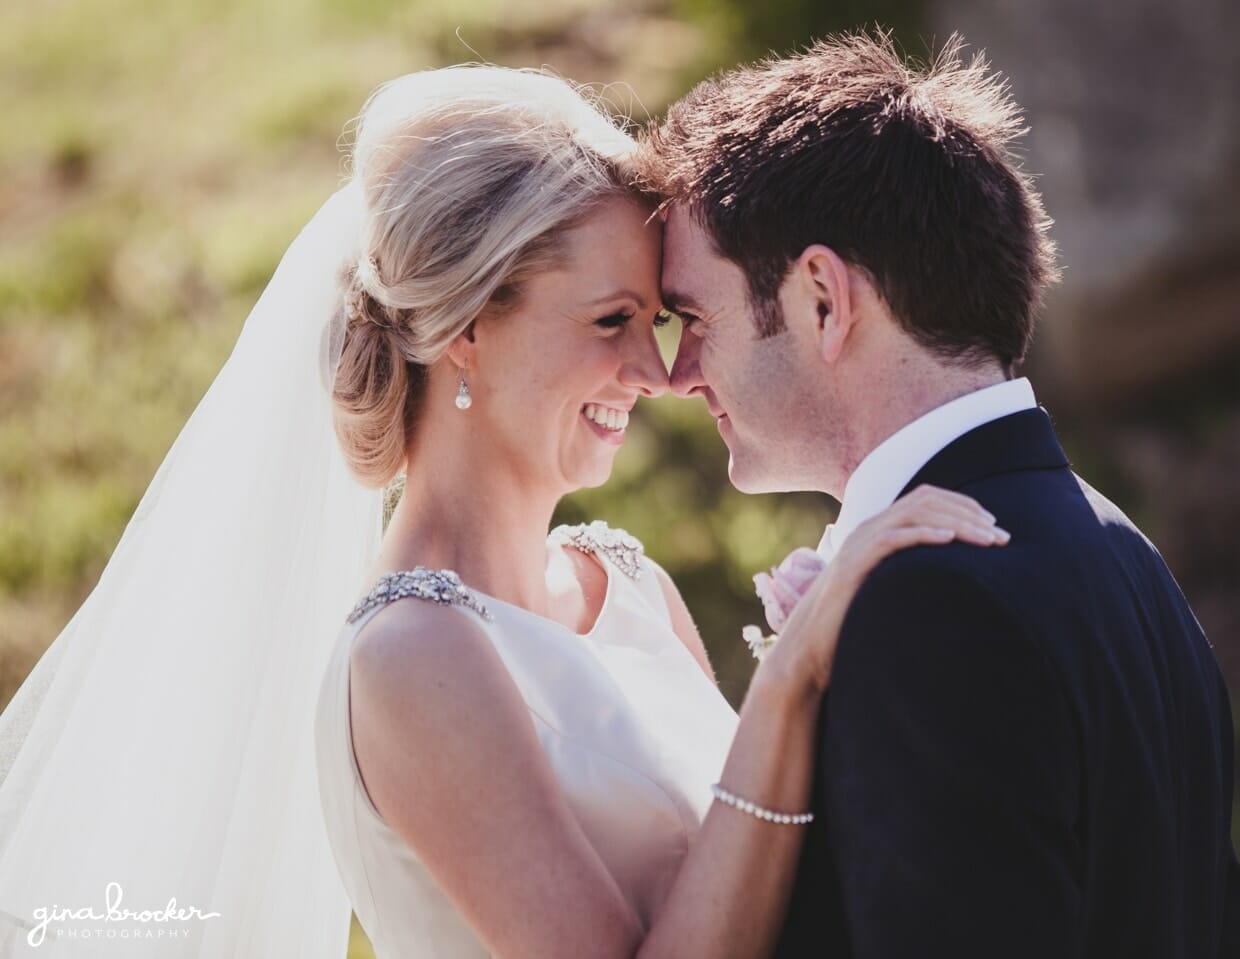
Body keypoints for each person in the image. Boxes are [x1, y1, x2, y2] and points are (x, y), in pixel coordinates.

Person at [0, 64, 1004, 957]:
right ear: (469, 328)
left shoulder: (633, 587)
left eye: (653, 319)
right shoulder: (412, 656)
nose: (655, 372)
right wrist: (787, 678)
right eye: (612, 320)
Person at [637, 31, 1240, 958]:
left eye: (695, 318)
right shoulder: (1129, 558)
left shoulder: (931, 600)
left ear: (823, 301)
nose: (676, 374)